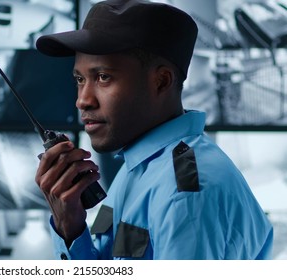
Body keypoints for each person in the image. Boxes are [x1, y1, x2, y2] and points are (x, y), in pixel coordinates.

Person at [34, 0, 273, 260]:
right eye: (80, 80)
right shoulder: (134, 168)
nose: (83, 100)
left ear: (161, 81)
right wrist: (70, 227)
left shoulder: (186, 195)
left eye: (103, 77)